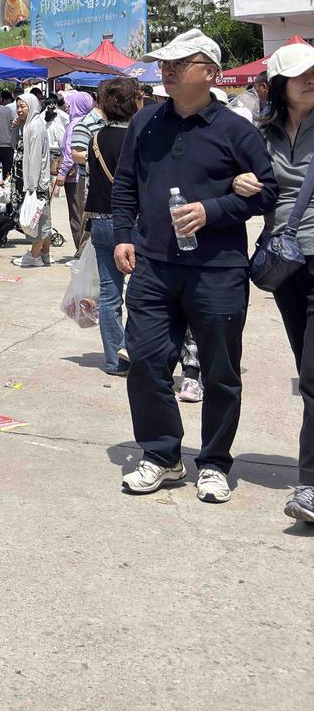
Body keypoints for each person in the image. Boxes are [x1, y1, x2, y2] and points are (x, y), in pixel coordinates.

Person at [112, 28, 276, 503]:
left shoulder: (237, 130)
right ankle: (162, 454)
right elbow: (125, 184)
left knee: (220, 372)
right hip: (153, 264)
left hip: (218, 269)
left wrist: (214, 210)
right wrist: (123, 235)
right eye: (164, 64)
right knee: (145, 361)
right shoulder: (145, 122)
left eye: (179, 64)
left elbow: (267, 192)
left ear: (210, 73)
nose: (167, 71)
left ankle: (215, 462)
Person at [230, 41, 314, 524]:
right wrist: (240, 185)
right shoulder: (262, 135)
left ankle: (311, 483)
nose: (310, 79)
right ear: (278, 85)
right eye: (300, 74)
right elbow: (258, 193)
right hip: (285, 263)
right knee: (306, 366)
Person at [80, 76, 141, 376]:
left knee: (109, 293)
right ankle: (135, 350)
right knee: (142, 292)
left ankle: (115, 360)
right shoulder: (138, 137)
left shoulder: (95, 138)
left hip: (99, 221)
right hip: (130, 223)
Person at [13, 89, 55, 268]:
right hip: (38, 181)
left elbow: (35, 158)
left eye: (23, 106)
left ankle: (34, 255)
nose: (19, 110)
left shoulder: (35, 127)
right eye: (18, 106)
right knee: (43, 217)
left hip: (37, 182)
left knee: (38, 219)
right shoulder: (31, 125)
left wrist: (31, 185)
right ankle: (45, 253)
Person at [56, 87, 95, 256]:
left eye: (70, 103)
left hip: (75, 176)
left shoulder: (75, 124)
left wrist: (62, 172)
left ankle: (81, 252)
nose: (67, 106)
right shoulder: (88, 121)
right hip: (84, 174)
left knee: (76, 215)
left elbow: (71, 152)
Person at [0, 87, 18, 182]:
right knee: (8, 174)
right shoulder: (7, 110)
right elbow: (14, 124)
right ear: (1, 99)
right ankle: (6, 188)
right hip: (8, 145)